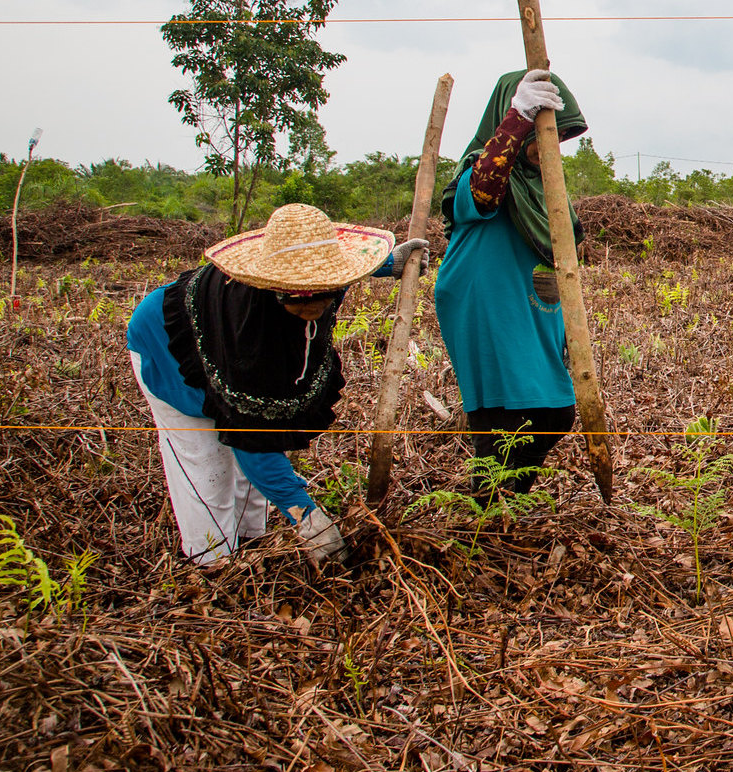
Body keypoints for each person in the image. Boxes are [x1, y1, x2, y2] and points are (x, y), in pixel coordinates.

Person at [127, 204, 425, 566]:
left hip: (241, 341)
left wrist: (387, 263)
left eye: (324, 290)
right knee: (209, 461)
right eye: (299, 294)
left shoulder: (324, 275)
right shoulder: (247, 336)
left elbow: (337, 265)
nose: (313, 301)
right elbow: (252, 439)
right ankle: (212, 563)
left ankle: (252, 541)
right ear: (273, 284)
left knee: (246, 474)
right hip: (166, 344)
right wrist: (306, 515)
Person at [434, 69, 589, 494]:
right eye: (537, 132)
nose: (546, 145)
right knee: (508, 417)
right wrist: (518, 117)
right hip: (485, 300)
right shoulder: (479, 170)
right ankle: (486, 514)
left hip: (535, 306)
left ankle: (504, 504)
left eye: (553, 134)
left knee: (555, 412)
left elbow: (566, 246)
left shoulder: (546, 188)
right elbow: (483, 193)